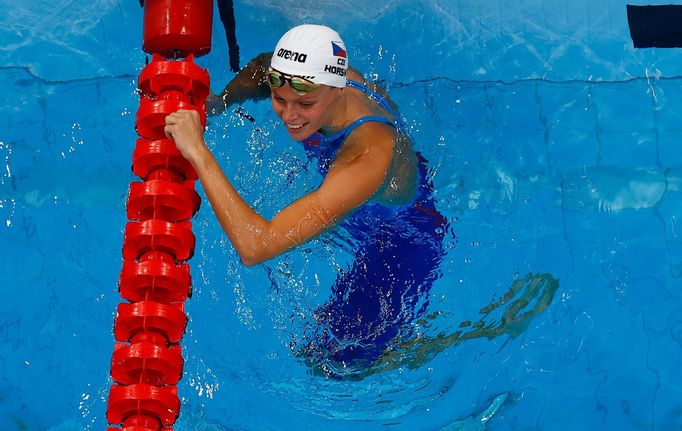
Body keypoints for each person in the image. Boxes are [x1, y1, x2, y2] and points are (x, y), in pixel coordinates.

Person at [164, 24, 446, 376]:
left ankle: (469, 334)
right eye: (280, 100)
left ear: (339, 89)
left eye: (305, 104)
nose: (289, 115)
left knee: (336, 366)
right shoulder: (315, 76)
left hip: (398, 238)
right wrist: (223, 100)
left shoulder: (368, 153)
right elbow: (260, 69)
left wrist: (198, 152)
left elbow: (256, 247)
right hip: (363, 195)